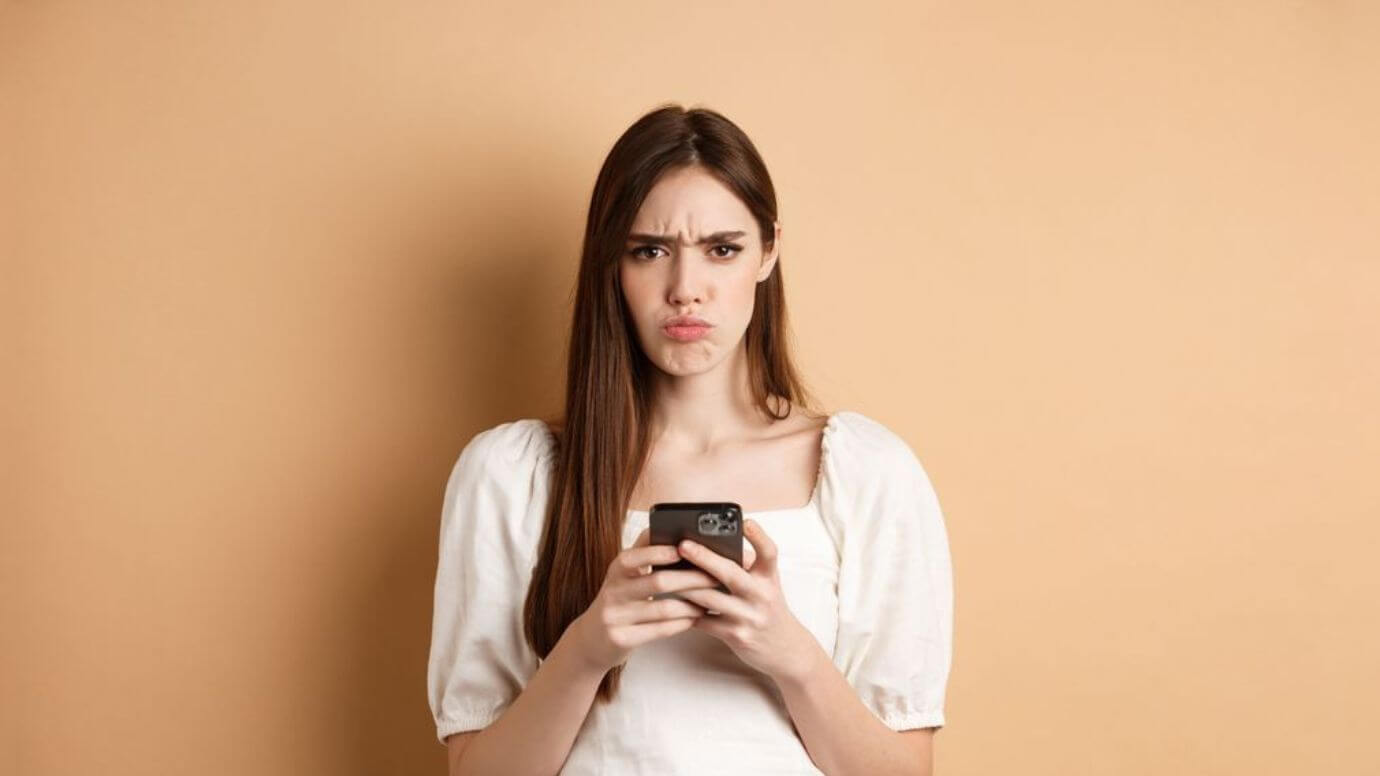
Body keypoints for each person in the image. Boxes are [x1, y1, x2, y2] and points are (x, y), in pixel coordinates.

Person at [427, 103, 954, 776]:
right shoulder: (511, 476)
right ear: (611, 265)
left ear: (769, 253)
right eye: (650, 251)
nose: (685, 290)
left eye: (722, 250)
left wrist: (788, 651)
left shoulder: (869, 472)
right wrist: (589, 646)